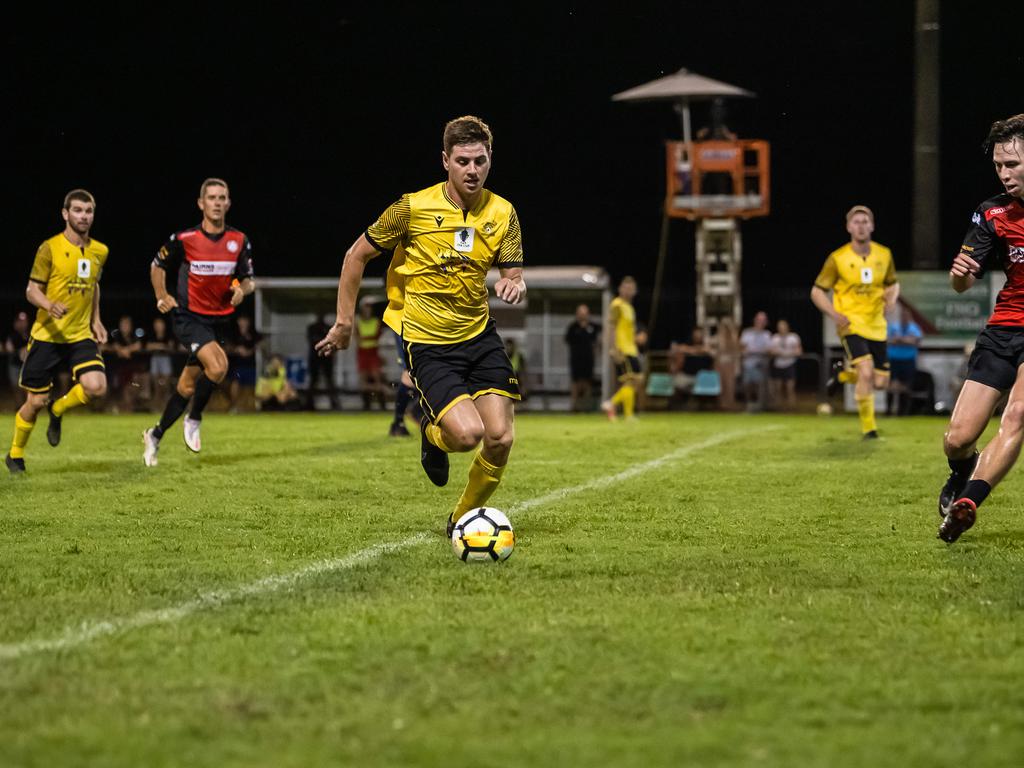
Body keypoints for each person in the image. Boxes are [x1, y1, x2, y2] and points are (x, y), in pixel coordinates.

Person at [315, 115, 525, 536]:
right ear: (445, 160)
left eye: (480, 161)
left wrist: (512, 281)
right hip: (428, 344)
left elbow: (513, 272)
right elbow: (355, 256)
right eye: (463, 161)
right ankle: (432, 435)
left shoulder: (504, 213)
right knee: (467, 436)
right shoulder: (411, 208)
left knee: (499, 438)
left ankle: (459, 520)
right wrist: (344, 322)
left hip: (480, 336)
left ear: (490, 160)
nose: (472, 170)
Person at [936, 114, 1024, 544]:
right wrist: (959, 273)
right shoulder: (992, 212)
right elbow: (961, 283)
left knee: (1018, 414)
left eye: (1013, 164)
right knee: (958, 438)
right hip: (1005, 326)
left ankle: (968, 502)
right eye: (999, 166)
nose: (1005, 174)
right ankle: (962, 470)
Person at [143, 178, 254, 467]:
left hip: (220, 321)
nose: (217, 203)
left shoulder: (239, 240)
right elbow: (157, 265)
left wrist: (242, 290)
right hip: (189, 317)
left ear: (228, 203)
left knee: (187, 386)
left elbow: (249, 280)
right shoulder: (184, 239)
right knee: (218, 367)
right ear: (201, 203)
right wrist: (161, 295)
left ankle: (154, 436)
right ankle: (194, 418)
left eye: (222, 198)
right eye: (212, 198)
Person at [6, 189, 109, 474]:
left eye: (88, 211)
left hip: (79, 336)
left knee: (97, 386)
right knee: (35, 401)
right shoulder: (49, 248)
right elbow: (31, 291)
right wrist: (48, 304)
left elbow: (94, 286)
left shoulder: (100, 250)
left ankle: (59, 408)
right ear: (65, 214)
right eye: (77, 210)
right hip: (47, 336)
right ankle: (15, 454)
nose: (83, 216)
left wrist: (96, 320)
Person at [811, 205, 899, 438]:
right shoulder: (837, 258)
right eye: (856, 222)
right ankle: (869, 428)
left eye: (865, 221)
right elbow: (817, 291)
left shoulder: (884, 254)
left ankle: (842, 375)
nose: (861, 226)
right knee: (866, 371)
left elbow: (892, 282)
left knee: (881, 383)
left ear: (872, 226)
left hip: (876, 324)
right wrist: (833, 313)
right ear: (849, 227)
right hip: (850, 323)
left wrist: (892, 297)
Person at [601, 276, 643, 420]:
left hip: (631, 348)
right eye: (625, 288)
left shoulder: (629, 307)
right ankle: (623, 411)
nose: (628, 291)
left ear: (635, 291)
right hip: (622, 349)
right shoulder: (617, 305)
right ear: (620, 289)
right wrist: (612, 348)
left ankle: (613, 405)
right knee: (630, 381)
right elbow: (611, 327)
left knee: (636, 381)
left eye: (631, 288)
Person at [886, 307, 923, 416]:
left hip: (908, 360)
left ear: (909, 318)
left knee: (906, 386)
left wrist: (900, 340)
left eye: (906, 316)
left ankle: (904, 412)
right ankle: (889, 410)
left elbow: (915, 341)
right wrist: (906, 340)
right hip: (893, 359)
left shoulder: (914, 327)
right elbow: (889, 340)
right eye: (903, 316)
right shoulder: (894, 327)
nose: (904, 318)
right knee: (891, 385)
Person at [105, 314, 145, 413]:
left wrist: (127, 350)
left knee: (132, 388)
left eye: (127, 324)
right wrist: (122, 351)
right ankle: (118, 409)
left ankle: (128, 409)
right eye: (123, 324)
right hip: (117, 370)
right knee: (118, 390)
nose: (125, 326)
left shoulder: (134, 335)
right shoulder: (116, 335)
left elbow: (138, 345)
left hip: (132, 370)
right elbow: (114, 346)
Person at [565, 303, 600, 412]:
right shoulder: (573, 327)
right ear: (577, 314)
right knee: (575, 384)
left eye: (584, 313)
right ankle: (574, 407)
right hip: (576, 360)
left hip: (588, 360)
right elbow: (567, 340)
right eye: (580, 313)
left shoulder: (593, 327)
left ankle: (586, 407)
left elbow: (598, 340)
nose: (582, 315)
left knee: (587, 383)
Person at [668, 327, 714, 409]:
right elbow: (678, 348)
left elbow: (708, 351)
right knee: (676, 382)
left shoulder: (707, 348)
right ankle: (677, 406)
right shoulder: (687, 346)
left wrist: (694, 350)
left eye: (699, 334)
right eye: (696, 334)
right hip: (687, 375)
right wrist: (692, 350)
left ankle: (702, 407)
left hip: (702, 378)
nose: (697, 336)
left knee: (705, 385)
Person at [355, 297, 386, 410]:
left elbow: (375, 338)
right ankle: (366, 405)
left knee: (377, 378)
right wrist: (368, 339)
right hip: (362, 353)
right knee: (363, 381)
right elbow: (358, 339)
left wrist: (365, 339)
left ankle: (382, 405)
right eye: (366, 306)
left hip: (373, 353)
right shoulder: (358, 321)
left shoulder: (376, 321)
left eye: (370, 307)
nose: (368, 309)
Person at [306, 313, 339, 411]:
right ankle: (309, 403)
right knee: (314, 380)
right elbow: (311, 340)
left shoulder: (328, 328)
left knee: (329, 380)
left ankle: (334, 402)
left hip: (326, 357)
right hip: (315, 357)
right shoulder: (312, 328)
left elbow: (332, 342)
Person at [740, 311, 772, 412]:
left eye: (763, 320)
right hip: (748, 364)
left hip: (761, 365)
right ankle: (748, 405)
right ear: (754, 320)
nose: (760, 322)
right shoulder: (747, 333)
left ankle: (760, 406)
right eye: (759, 319)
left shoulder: (767, 334)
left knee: (760, 386)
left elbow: (769, 349)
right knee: (747, 385)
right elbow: (742, 347)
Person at [769, 319, 803, 411]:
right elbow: (771, 352)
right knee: (778, 389)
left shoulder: (793, 337)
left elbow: (799, 351)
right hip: (778, 365)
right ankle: (778, 409)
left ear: (787, 327)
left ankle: (791, 408)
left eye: (783, 327)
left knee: (790, 389)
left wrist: (787, 354)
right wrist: (776, 353)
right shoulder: (775, 338)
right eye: (779, 327)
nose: (781, 329)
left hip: (790, 365)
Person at [145, 315, 176, 408]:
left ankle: (166, 404)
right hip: (155, 359)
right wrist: (160, 346)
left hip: (166, 359)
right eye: (156, 324)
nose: (158, 326)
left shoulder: (168, 335)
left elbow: (171, 346)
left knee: (165, 384)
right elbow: (148, 346)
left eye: (160, 324)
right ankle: (156, 405)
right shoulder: (151, 335)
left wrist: (158, 346)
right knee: (156, 384)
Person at [711, 316, 741, 410]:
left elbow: (736, 348)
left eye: (726, 326)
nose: (725, 328)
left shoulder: (733, 339)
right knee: (720, 385)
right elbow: (712, 348)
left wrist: (731, 330)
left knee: (730, 385)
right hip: (720, 364)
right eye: (723, 326)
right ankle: (721, 405)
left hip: (730, 364)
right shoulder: (717, 338)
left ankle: (730, 404)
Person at [5, 311, 31, 409]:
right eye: (20, 321)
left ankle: (27, 409)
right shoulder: (12, 336)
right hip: (15, 365)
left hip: (27, 367)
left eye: (24, 321)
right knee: (17, 388)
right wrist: (20, 351)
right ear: (16, 323)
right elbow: (8, 350)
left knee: (27, 389)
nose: (22, 324)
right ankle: (18, 408)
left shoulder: (32, 335)